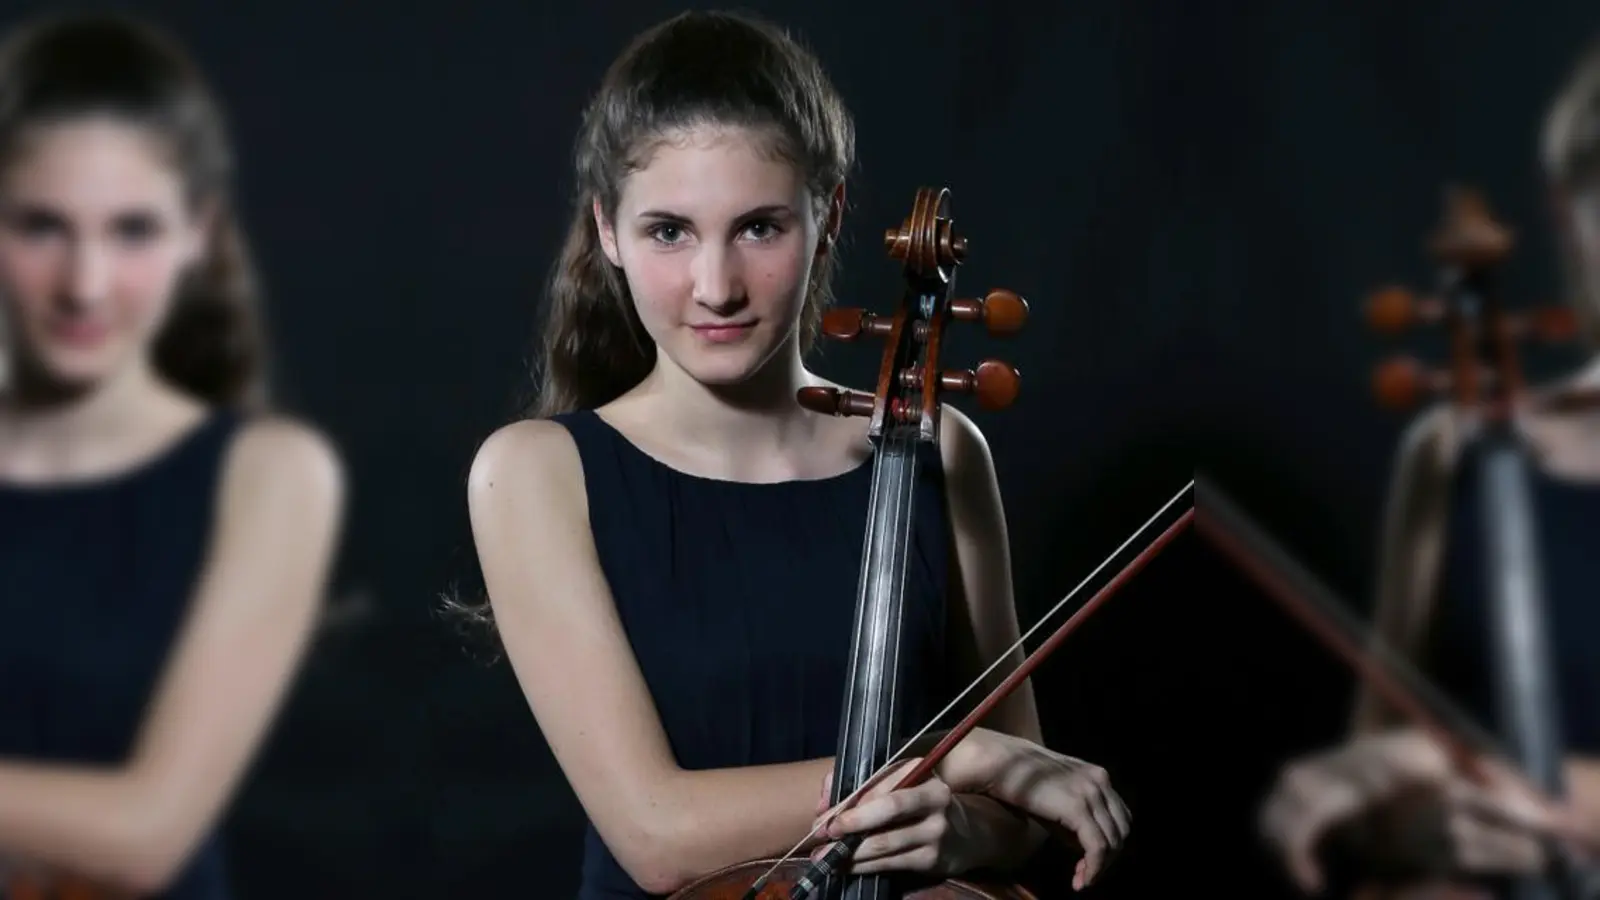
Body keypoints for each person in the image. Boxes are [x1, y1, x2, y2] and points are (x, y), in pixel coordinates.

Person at [462, 10, 1126, 898]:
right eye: (668, 231)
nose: (715, 287)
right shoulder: (535, 472)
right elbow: (656, 834)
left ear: (829, 215)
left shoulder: (942, 451)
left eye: (759, 228)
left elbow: (1025, 800)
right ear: (608, 230)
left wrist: (966, 828)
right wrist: (954, 758)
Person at [0, 13, 344, 900]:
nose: (85, 284)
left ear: (199, 230)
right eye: (41, 226)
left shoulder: (271, 474)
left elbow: (148, 833)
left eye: (133, 230)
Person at [1257, 35, 1600, 898]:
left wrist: (1555, 794)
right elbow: (1372, 772)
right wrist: (1416, 815)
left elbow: (1419, 756)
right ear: (1566, 214)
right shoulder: (1455, 449)